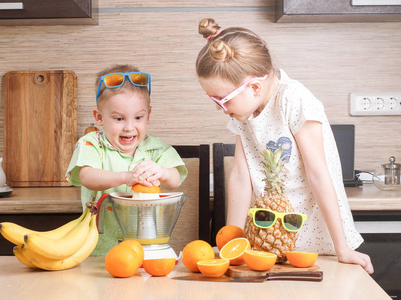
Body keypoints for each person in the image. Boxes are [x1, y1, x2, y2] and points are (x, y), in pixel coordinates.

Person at [195, 18, 373, 274]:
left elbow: (319, 175)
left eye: (223, 100)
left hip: (316, 237)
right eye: (212, 98)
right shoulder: (245, 113)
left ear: (254, 87)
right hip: (268, 238)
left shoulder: (293, 99)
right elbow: (240, 177)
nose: (218, 107)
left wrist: (343, 248)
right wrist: (231, 244)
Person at [66, 64, 188, 256]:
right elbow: (87, 176)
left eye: (138, 117)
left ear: (148, 115)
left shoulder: (155, 147)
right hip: (97, 248)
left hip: (145, 246)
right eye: (119, 119)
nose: (129, 127)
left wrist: (162, 172)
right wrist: (125, 177)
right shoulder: (91, 144)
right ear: (99, 117)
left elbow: (174, 180)